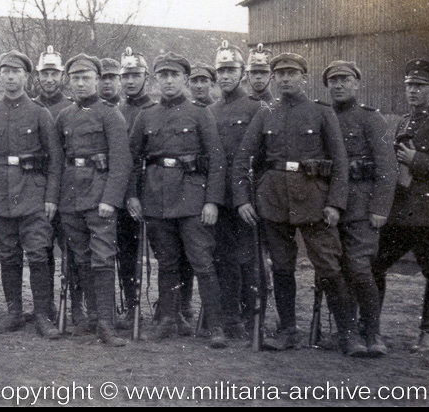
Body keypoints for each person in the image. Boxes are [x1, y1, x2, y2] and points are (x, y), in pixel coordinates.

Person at [232, 53, 367, 356]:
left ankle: (348, 333)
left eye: (292, 73)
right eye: (280, 74)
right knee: (281, 267)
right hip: (273, 200)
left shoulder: (321, 113)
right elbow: (243, 158)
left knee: (329, 267)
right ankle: (287, 330)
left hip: (315, 202)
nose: (285, 78)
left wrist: (335, 204)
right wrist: (242, 199)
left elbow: (340, 163)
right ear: (273, 78)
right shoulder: (266, 112)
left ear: (304, 77)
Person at [126, 52, 228, 349]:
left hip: (193, 198)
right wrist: (132, 194)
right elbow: (131, 160)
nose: (168, 81)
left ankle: (215, 325)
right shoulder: (147, 115)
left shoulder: (200, 113)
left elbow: (217, 160)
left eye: (174, 75)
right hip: (156, 198)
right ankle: (167, 320)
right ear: (156, 80)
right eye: (163, 75)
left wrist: (212, 202)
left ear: (184, 79)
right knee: (167, 262)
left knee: (202, 261)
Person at [0, 50, 63, 338]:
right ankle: (13, 312)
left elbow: (55, 159)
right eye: (5, 71)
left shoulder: (40, 113)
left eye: (16, 71)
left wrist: (50, 197)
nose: (10, 77)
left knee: (37, 254)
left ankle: (43, 314)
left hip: (32, 195)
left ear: (26, 76)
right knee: (8, 255)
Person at [372, 59, 429, 354]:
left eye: (420, 86)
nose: (413, 91)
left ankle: (428, 334)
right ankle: (372, 326)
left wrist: (416, 160)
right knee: (375, 266)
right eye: (409, 86)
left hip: (426, 214)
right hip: (399, 210)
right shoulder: (403, 121)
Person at [321, 60, 396, 357]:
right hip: (329, 207)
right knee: (332, 271)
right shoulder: (323, 117)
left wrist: (380, 208)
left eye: (344, 79)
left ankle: (372, 332)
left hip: (362, 207)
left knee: (360, 269)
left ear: (356, 84)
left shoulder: (371, 119)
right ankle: (345, 331)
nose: (338, 85)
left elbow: (387, 168)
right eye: (333, 80)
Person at [55, 54, 131, 347]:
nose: (81, 83)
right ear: (69, 81)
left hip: (99, 195)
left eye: (87, 78)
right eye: (76, 78)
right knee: (80, 258)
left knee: (102, 257)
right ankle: (91, 316)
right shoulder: (64, 116)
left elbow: (121, 161)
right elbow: (59, 159)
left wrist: (110, 199)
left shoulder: (110, 114)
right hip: (70, 197)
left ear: (98, 80)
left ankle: (106, 324)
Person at [208, 41, 263, 338]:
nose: (225, 75)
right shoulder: (211, 111)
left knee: (247, 259)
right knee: (222, 257)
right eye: (221, 70)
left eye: (231, 70)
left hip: (247, 196)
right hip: (219, 196)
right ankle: (230, 316)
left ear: (242, 73)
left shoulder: (256, 108)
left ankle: (252, 314)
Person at [34, 45, 82, 323]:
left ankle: (76, 305)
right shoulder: (30, 106)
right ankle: (46, 306)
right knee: (41, 249)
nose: (49, 79)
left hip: (69, 189)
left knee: (73, 250)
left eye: (54, 73)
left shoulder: (72, 107)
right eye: (45, 74)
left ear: (62, 76)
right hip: (36, 188)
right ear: (38, 77)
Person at [113, 48, 155, 330]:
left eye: (135, 75)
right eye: (125, 76)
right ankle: (131, 306)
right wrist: (128, 194)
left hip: (156, 188)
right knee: (126, 251)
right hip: (126, 192)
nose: (129, 81)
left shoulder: (155, 109)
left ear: (146, 77)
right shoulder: (116, 111)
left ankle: (176, 308)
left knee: (169, 251)